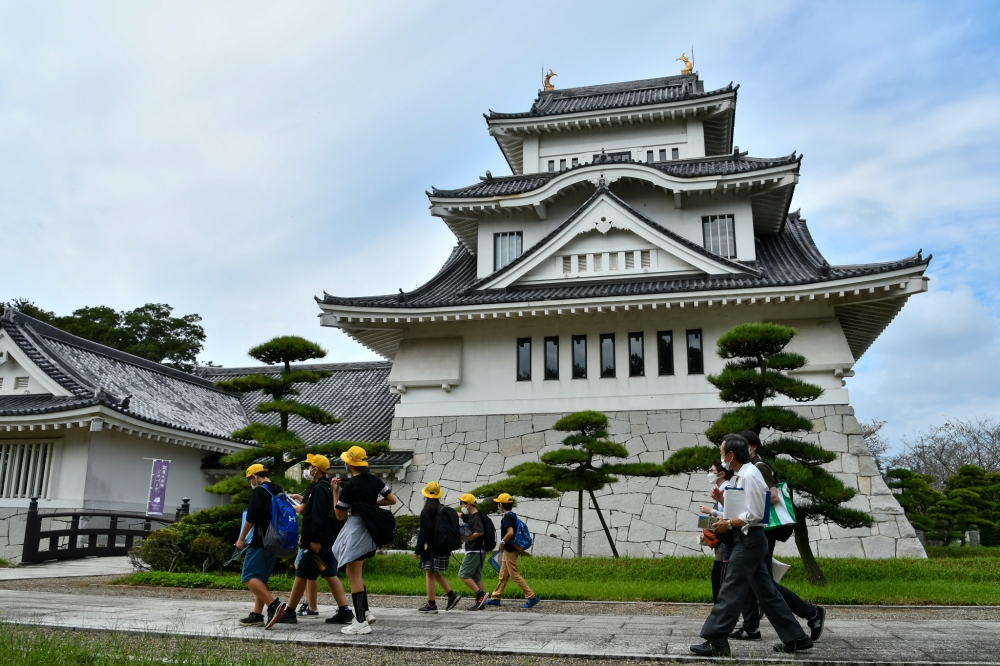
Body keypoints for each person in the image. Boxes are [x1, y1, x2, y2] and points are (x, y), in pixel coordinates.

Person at [690, 434, 813, 657]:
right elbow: (745, 509)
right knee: (767, 593)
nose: (721, 458)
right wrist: (724, 509)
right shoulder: (744, 474)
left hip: (750, 541)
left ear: (731, 455)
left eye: (722, 453)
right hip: (751, 540)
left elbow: (756, 514)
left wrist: (727, 523)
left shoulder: (749, 475)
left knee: (731, 588)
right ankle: (796, 638)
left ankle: (717, 641)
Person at [730, 431, 826, 642]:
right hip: (755, 530)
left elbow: (772, 496)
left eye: (742, 445)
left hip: (762, 530)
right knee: (759, 582)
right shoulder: (749, 468)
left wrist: (747, 502)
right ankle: (752, 626)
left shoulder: (759, 467)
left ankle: (810, 612)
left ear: (752, 447)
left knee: (765, 584)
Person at [273, 454, 354, 627]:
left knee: (302, 572)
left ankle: (290, 612)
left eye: (309, 466)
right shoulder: (323, 487)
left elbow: (316, 516)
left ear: (315, 469)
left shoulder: (317, 488)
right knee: (328, 572)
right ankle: (344, 610)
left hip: (318, 541)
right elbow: (311, 511)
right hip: (327, 538)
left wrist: (314, 539)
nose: (307, 469)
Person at [331, 445, 397, 635]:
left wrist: (335, 492)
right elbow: (391, 499)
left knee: (354, 576)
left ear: (349, 463)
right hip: (370, 529)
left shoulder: (350, 486)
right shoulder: (374, 480)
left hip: (357, 529)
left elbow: (338, 515)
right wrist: (370, 504)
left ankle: (360, 622)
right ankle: (365, 613)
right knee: (356, 574)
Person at [235, 464, 287, 628]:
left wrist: (241, 538)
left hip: (261, 539)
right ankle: (257, 615)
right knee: (261, 578)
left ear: (255, 477)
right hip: (276, 539)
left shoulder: (260, 490)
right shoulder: (278, 490)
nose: (251, 482)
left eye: (250, 479)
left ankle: (273, 605)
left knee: (248, 576)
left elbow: (251, 517)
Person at [484, 493, 540, 609]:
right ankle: (496, 597)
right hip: (509, 550)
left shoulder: (508, 517)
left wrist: (502, 542)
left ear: (501, 504)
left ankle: (531, 597)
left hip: (510, 550)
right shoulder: (512, 515)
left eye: (498, 503)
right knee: (503, 575)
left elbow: (510, 533)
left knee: (514, 575)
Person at [413, 481, 461, 613]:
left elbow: (422, 534)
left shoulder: (426, 511)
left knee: (429, 574)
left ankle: (432, 605)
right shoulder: (442, 509)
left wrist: (418, 550)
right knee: (435, 573)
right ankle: (452, 595)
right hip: (443, 547)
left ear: (426, 495)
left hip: (431, 549)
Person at [699, 460, 735, 604]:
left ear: (722, 474)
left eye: (712, 471)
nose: (710, 473)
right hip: (722, 538)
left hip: (726, 542)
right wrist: (706, 526)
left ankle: (720, 610)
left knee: (719, 576)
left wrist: (710, 511)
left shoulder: (728, 489)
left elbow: (730, 516)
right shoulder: (722, 489)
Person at [457, 493, 488, 611]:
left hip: (475, 550)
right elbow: (459, 514)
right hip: (479, 550)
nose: (461, 506)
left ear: (468, 504)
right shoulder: (471, 516)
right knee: (476, 577)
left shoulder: (475, 517)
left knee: (463, 575)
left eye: (462, 504)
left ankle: (480, 594)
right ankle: (480, 603)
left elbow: (480, 532)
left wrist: (466, 538)